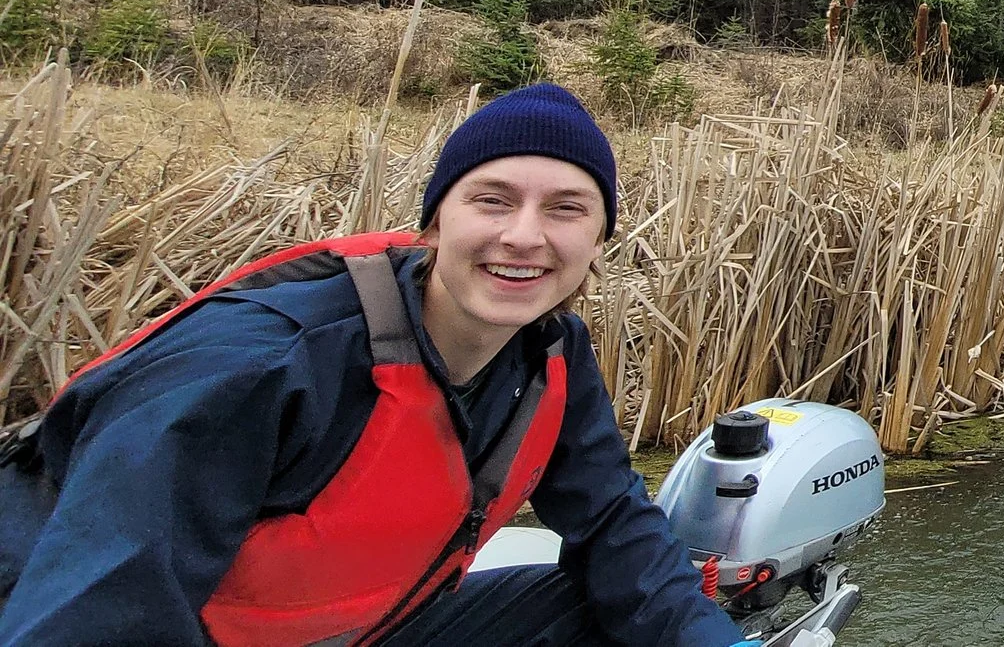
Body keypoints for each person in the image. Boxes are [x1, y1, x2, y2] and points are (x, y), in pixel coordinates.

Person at [0, 84, 749, 647]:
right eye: (492, 199)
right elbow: (97, 607)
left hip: (356, 630)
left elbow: (617, 525)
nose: (524, 236)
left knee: (602, 613)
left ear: (598, 238)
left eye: (566, 208)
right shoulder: (265, 360)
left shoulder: (552, 352)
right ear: (433, 223)